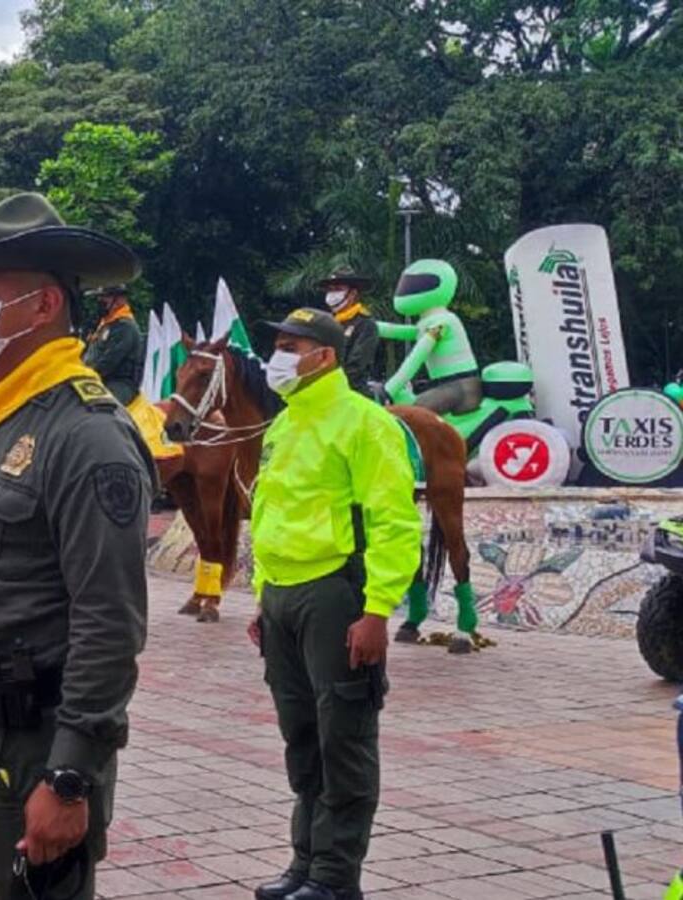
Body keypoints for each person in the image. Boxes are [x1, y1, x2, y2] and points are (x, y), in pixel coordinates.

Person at [0, 191, 153, 900]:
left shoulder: (86, 434)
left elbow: (109, 621)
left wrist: (71, 775)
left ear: (42, 306)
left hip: (25, 748)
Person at [249, 309, 422, 900]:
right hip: (282, 597)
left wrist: (377, 610)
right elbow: (270, 513)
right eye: (277, 345)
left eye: (289, 346)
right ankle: (304, 863)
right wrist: (262, 596)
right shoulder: (283, 423)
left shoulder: (365, 423)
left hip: (335, 595)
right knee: (302, 738)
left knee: (343, 738)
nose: (277, 357)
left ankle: (335, 877)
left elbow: (394, 521)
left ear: (323, 356)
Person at [378, 259, 483, 415]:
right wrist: (366, 324)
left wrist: (389, 389)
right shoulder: (430, 322)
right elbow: (401, 331)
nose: (406, 290)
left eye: (414, 285)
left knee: (411, 414)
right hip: (447, 386)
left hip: (460, 387)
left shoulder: (442, 322)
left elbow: (416, 357)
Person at [317, 268, 379, 397]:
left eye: (338, 289)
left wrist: (332, 386)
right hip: (323, 389)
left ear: (352, 294)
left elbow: (356, 366)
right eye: (330, 290)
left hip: (351, 392)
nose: (332, 294)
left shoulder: (365, 324)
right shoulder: (326, 323)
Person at [83, 284, 144, 405]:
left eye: (105, 297)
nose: (100, 301)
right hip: (100, 380)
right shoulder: (105, 325)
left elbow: (108, 363)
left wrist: (85, 374)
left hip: (120, 384)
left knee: (102, 407)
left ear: (119, 300)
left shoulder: (124, 327)